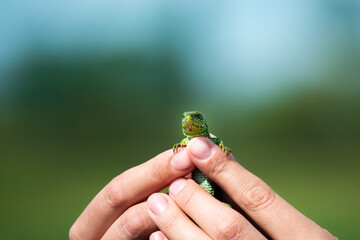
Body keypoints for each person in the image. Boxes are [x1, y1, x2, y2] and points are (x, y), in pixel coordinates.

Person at [69, 137, 338, 240]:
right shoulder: (186, 142)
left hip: (209, 194)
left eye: (194, 118)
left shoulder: (209, 140)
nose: (189, 121)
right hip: (187, 190)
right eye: (186, 119)